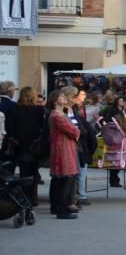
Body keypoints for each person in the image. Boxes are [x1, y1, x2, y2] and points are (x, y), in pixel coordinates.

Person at [47, 87, 80, 220]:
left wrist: (75, 130)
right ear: (56, 100)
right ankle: (61, 209)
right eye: (61, 97)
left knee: (66, 178)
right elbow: (74, 131)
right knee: (65, 178)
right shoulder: (56, 116)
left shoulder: (61, 114)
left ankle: (63, 206)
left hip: (66, 147)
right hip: (63, 149)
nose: (64, 98)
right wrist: (76, 131)